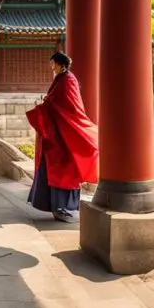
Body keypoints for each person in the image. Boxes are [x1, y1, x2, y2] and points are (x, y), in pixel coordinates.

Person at [25, 52, 98, 223]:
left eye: (53, 64)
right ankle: (56, 207)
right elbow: (54, 102)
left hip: (65, 133)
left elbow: (66, 105)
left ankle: (64, 207)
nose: (52, 67)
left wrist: (45, 105)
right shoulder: (61, 79)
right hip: (56, 134)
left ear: (60, 64)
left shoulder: (67, 80)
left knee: (65, 170)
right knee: (53, 169)